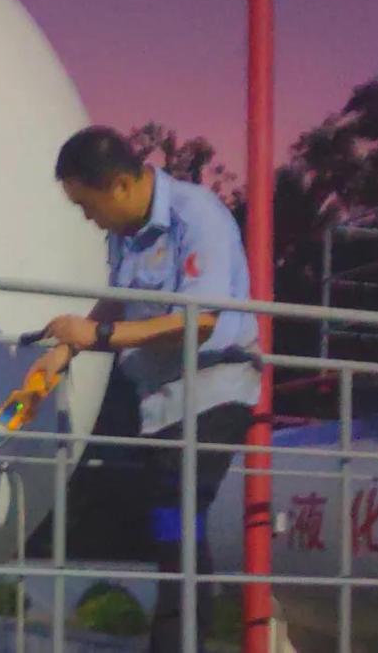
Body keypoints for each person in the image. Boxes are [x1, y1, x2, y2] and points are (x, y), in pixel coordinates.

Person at [27, 125, 261, 651]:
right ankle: (182, 636)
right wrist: (65, 351)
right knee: (171, 529)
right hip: (160, 404)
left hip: (213, 391)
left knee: (178, 518)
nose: (88, 219)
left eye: (87, 206)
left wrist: (98, 336)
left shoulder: (194, 216)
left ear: (118, 185)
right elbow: (118, 299)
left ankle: (177, 641)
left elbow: (200, 321)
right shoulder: (124, 231)